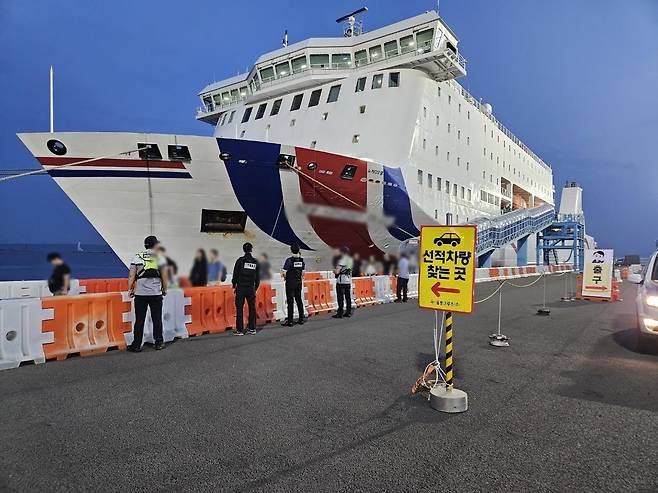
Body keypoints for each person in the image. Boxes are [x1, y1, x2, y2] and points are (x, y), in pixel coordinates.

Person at [127, 235, 168, 352]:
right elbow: (165, 276)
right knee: (157, 318)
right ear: (155, 245)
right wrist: (164, 289)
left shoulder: (137, 257)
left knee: (139, 319)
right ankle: (159, 342)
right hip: (155, 294)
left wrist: (130, 289)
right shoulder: (160, 258)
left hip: (140, 294)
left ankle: (136, 345)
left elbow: (131, 275)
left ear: (145, 245)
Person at [232, 242, 260, 335]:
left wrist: (234, 284)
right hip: (250, 288)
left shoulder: (240, 261)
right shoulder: (255, 262)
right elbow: (258, 278)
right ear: (251, 249)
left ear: (243, 250)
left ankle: (240, 330)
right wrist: (254, 288)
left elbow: (235, 274)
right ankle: (252, 328)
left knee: (239, 308)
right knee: (252, 308)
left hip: (241, 288)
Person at [281, 244, 305, 327]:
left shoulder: (289, 260)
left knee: (290, 302)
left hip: (290, 283)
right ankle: (301, 319)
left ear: (291, 250)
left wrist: (286, 277)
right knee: (299, 300)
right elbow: (303, 273)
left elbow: (284, 272)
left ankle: (290, 321)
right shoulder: (301, 260)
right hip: (299, 283)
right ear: (299, 250)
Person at [332, 246, 353, 319]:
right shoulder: (350, 260)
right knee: (348, 298)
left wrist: (334, 270)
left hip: (341, 282)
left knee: (340, 298)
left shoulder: (341, 261)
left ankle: (340, 313)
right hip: (348, 281)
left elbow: (337, 271)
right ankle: (348, 312)